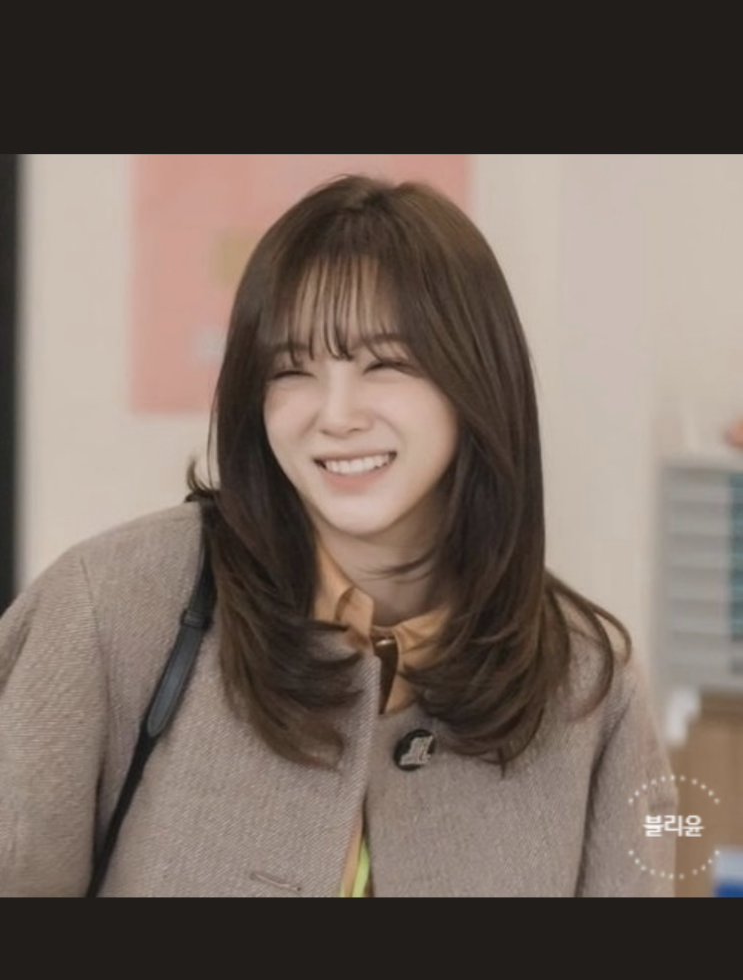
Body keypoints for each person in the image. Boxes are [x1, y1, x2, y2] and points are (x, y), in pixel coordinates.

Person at [0, 173, 678, 898]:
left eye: (385, 364)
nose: (336, 415)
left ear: (476, 381)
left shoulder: (587, 685)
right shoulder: (111, 607)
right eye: (291, 369)